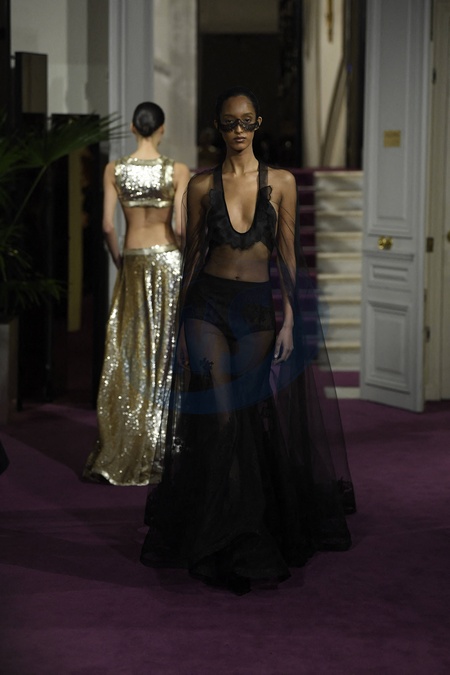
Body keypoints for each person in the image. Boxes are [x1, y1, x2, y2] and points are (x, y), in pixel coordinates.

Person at [140, 86, 355, 594]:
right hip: (207, 308)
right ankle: (220, 539)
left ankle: (249, 530)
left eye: (246, 121)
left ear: (258, 124)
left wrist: (289, 320)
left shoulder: (281, 183)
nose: (238, 130)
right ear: (219, 127)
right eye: (229, 122)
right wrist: (179, 324)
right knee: (220, 418)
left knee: (247, 416)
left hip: (257, 310)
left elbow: (288, 255)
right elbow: (193, 256)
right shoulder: (199, 185)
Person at [83, 102, 191, 486]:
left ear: (132, 128)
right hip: (169, 261)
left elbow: (106, 226)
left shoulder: (114, 170)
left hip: (133, 260)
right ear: (162, 128)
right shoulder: (177, 170)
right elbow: (182, 227)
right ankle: (165, 445)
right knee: (167, 351)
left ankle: (130, 440)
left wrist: (119, 258)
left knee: (132, 351)